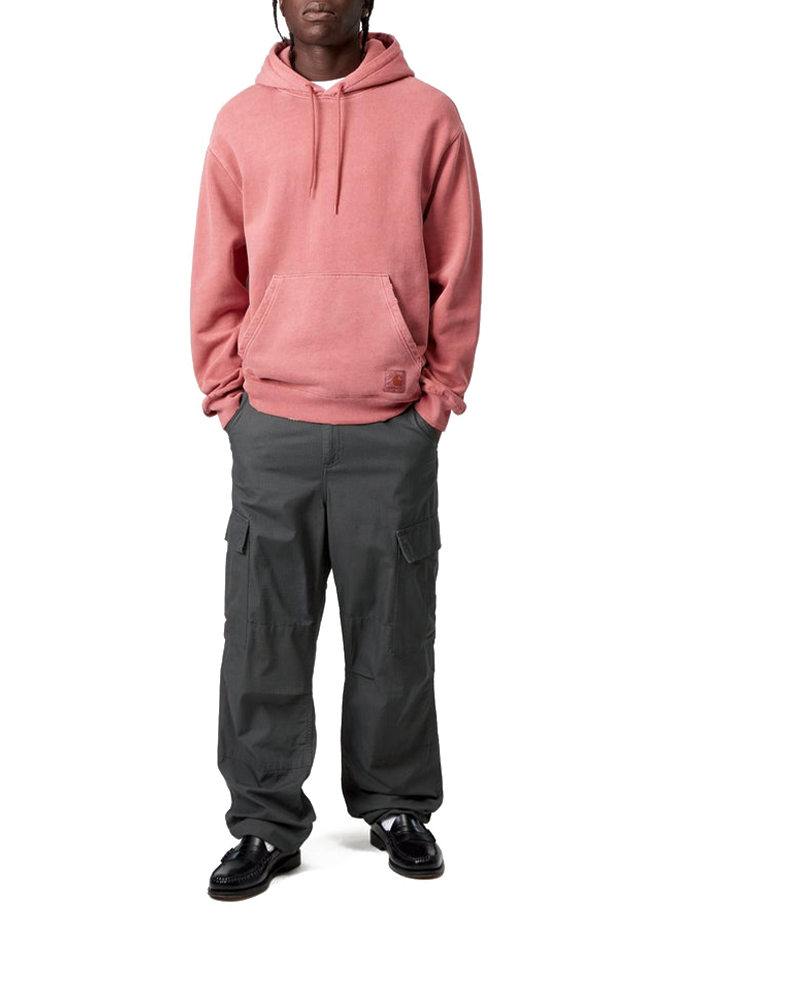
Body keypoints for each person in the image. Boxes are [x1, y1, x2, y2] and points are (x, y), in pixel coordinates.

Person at [190, 0, 482, 901]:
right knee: (262, 635)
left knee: (395, 629)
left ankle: (396, 806)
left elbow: (459, 266)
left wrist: (434, 404)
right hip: (270, 428)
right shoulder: (241, 121)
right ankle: (264, 820)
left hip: (391, 430)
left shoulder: (429, 116)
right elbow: (217, 269)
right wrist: (229, 400)